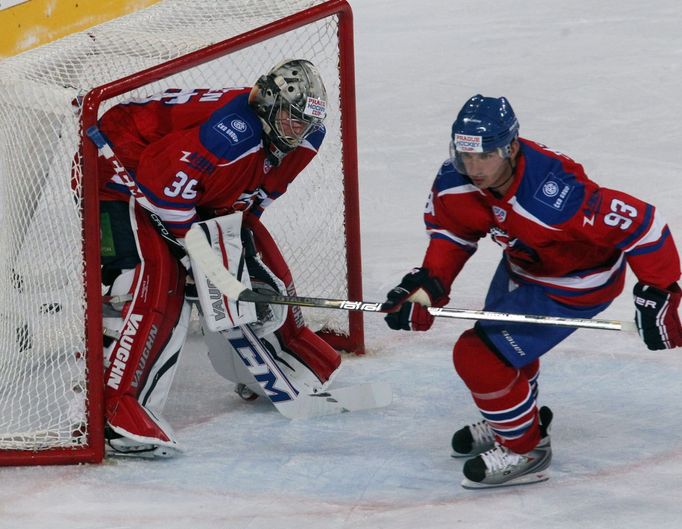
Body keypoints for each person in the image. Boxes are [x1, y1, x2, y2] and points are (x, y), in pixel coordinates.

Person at [382, 94, 682, 488]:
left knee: (478, 357)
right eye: (464, 155)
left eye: (484, 157)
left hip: (575, 284)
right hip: (522, 265)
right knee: (505, 357)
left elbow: (644, 224)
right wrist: (427, 288)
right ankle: (515, 418)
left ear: (510, 148)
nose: (472, 168)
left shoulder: (554, 195)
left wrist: (661, 294)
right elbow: (454, 233)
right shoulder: (456, 179)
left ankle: (526, 449)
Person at [96, 59, 341, 457]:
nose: (297, 133)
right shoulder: (231, 135)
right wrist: (198, 259)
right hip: (115, 168)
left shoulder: (305, 137)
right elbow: (164, 193)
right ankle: (116, 411)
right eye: (289, 120)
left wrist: (231, 252)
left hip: (179, 180)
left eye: (304, 124)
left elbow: (250, 202)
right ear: (268, 104)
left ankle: (285, 360)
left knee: (261, 267)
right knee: (158, 280)